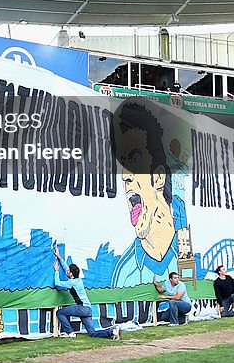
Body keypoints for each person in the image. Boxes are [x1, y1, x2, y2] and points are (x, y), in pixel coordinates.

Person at [111, 102, 187, 286]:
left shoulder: (184, 251)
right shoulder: (124, 275)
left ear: (159, 177)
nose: (125, 176)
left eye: (134, 159)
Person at [52, 246, 119, 339]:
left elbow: (57, 283)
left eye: (68, 271)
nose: (66, 271)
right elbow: (66, 267)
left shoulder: (71, 282)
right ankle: (112, 331)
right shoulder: (77, 279)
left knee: (60, 312)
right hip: (88, 309)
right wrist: (59, 257)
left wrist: (56, 271)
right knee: (92, 333)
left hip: (82, 308)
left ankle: (70, 332)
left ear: (71, 274)